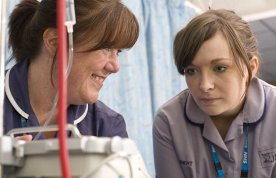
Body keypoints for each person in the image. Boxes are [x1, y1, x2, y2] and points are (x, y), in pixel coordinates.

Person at [153, 9, 276, 178]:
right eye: (191, 71)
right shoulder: (169, 121)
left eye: (220, 68)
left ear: (251, 68)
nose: (205, 85)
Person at [4, 0, 139, 140]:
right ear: (55, 42)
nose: (115, 67)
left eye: (118, 52)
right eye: (106, 48)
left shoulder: (106, 127)